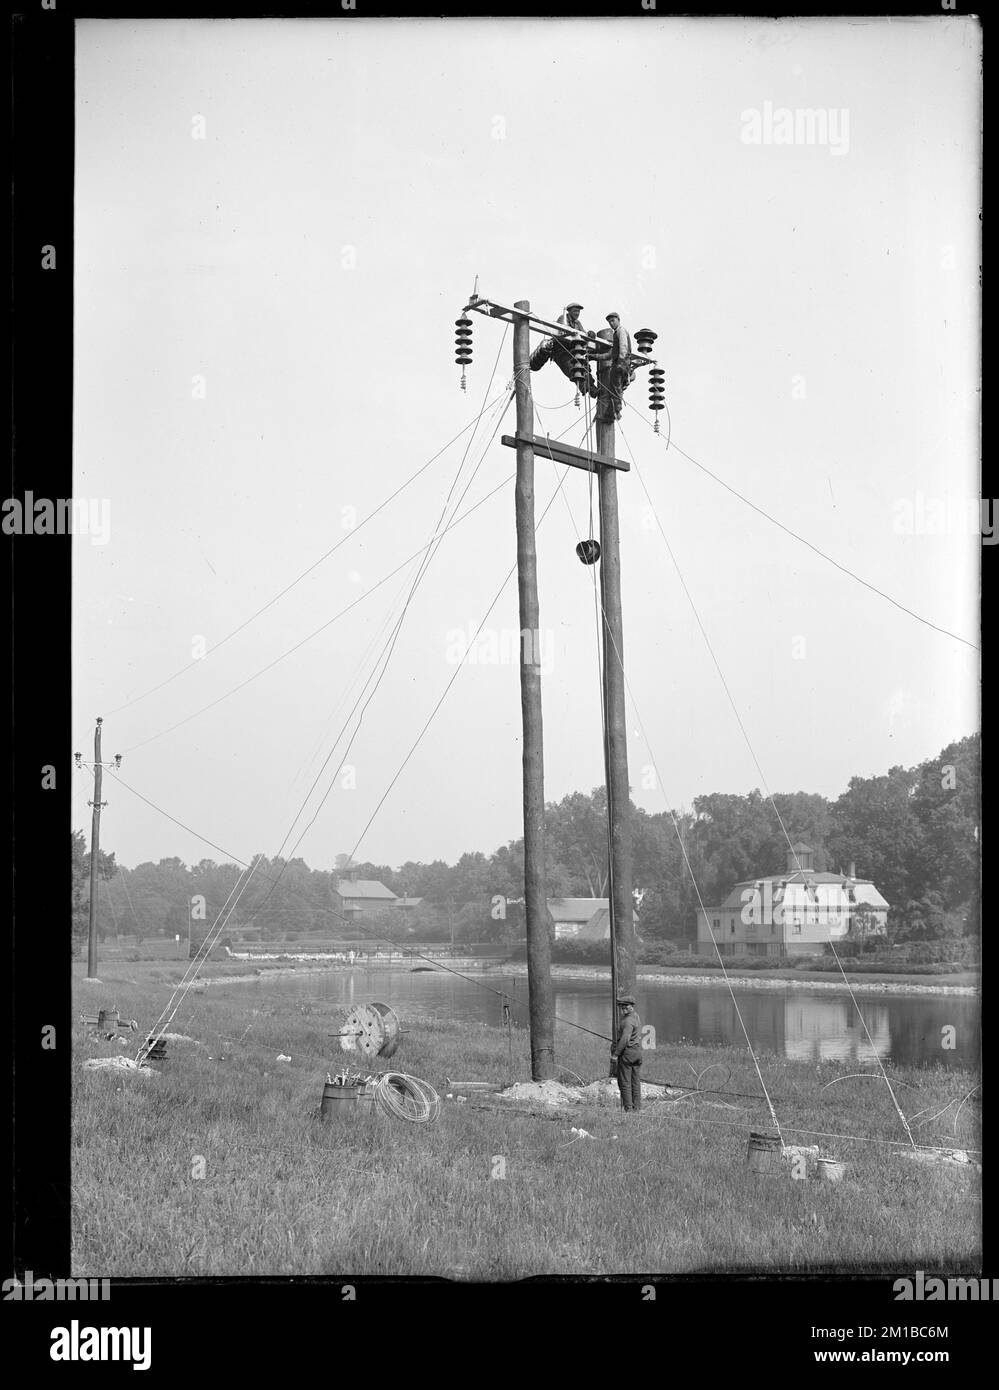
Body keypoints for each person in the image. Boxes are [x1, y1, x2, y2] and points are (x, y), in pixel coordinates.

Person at [594, 312, 633, 422]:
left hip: (621, 363)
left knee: (615, 387)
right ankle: (612, 412)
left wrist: (621, 362)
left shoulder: (621, 331)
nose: (611, 323)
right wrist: (595, 356)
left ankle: (616, 411)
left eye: (613, 321)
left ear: (618, 320)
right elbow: (610, 355)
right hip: (620, 362)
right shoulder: (616, 333)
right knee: (614, 388)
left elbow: (624, 347)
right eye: (609, 322)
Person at [610, 993, 643, 1112]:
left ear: (631, 1006)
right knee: (635, 1082)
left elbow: (625, 1039)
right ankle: (637, 1108)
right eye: (621, 1006)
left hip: (628, 1053)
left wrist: (615, 1054)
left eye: (625, 1006)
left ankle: (629, 1110)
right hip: (637, 1052)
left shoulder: (628, 1021)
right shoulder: (636, 1016)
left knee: (624, 1082)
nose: (622, 1009)